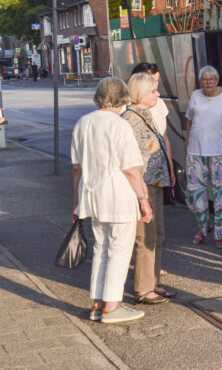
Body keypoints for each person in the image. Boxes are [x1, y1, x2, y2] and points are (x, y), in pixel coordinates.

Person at [71, 77, 152, 324]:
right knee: (119, 250)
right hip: (118, 196)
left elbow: (76, 168)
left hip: (92, 196)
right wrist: (143, 200)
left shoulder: (82, 123)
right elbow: (131, 170)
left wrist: (76, 201)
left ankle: (98, 304)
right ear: (121, 98)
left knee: (101, 250)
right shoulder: (119, 125)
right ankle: (112, 307)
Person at [122, 72, 176, 305]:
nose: (158, 94)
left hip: (155, 183)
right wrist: (142, 194)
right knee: (145, 239)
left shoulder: (144, 114)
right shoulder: (131, 119)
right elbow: (129, 160)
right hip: (143, 188)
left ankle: (153, 282)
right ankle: (143, 289)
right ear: (140, 94)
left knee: (158, 235)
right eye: (153, 91)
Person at [184, 65, 222, 248]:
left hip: (221, 152)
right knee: (195, 195)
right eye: (204, 79)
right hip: (196, 152)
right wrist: (187, 145)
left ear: (217, 80)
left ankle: (221, 234)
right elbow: (189, 122)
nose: (208, 82)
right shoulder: (195, 95)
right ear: (200, 81)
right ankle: (204, 228)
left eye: (211, 79)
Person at [130, 63, 175, 201]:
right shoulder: (128, 110)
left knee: (158, 220)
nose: (156, 85)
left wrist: (170, 169)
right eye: (152, 81)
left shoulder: (159, 104)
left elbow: (164, 139)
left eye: (157, 80)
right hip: (143, 179)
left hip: (159, 176)